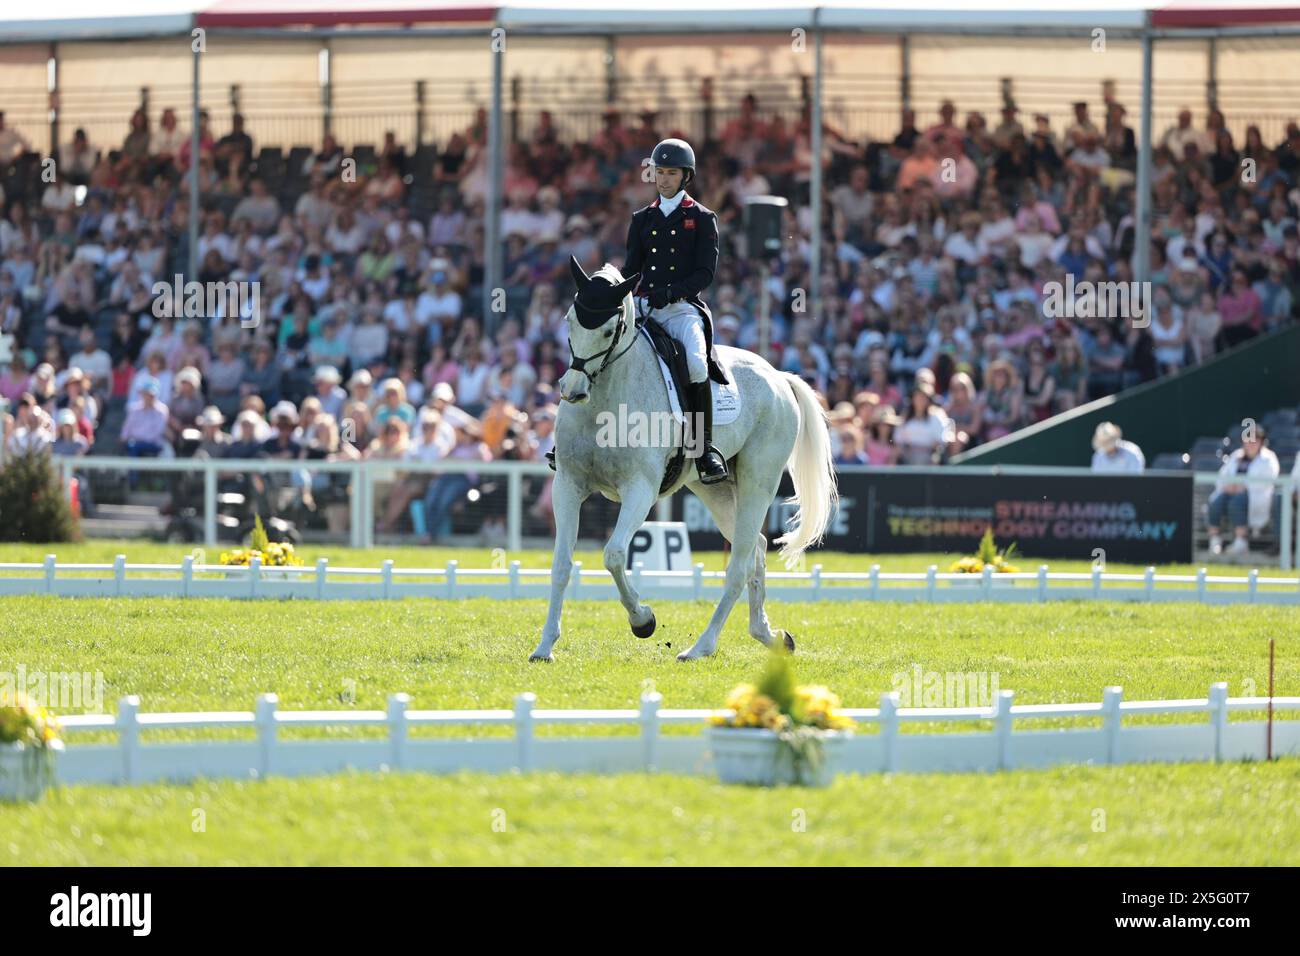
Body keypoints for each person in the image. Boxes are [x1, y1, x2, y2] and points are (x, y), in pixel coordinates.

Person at [622, 137, 730, 484]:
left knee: (697, 365)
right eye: (659, 172)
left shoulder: (701, 218)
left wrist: (668, 293)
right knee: (601, 348)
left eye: (671, 173)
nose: (664, 178)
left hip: (682, 310)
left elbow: (704, 274)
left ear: (686, 177)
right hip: (644, 308)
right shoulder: (642, 219)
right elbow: (631, 270)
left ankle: (704, 449)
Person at [1207, 425, 1279, 556]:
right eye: (1247, 440)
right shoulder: (1236, 456)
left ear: (1261, 442)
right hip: (1230, 494)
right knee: (1215, 502)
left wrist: (1243, 487)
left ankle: (1241, 542)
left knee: (1237, 502)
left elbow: (1269, 480)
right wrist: (1228, 486)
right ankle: (1215, 541)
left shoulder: (1268, 459)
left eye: (1254, 440)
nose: (1250, 444)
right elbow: (1222, 475)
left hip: (1256, 499)